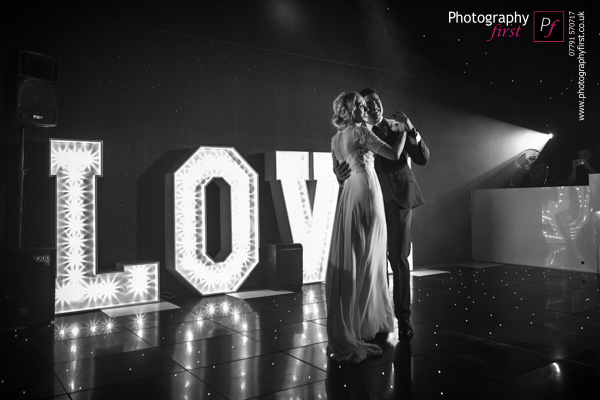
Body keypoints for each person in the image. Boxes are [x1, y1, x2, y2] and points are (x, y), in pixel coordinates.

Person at [334, 88, 430, 339]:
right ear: (360, 109)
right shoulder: (355, 132)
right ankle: (376, 319)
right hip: (369, 201)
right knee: (371, 260)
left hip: (398, 199)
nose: (373, 106)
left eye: (376, 101)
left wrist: (411, 130)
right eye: (367, 104)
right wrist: (338, 174)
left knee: (397, 258)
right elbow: (344, 168)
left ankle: (404, 318)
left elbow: (423, 158)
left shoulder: (398, 127)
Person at [326, 91, 407, 364]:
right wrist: (405, 130)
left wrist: (339, 176)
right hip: (367, 195)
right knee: (370, 256)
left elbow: (337, 172)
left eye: (363, 104)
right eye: (359, 105)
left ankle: (360, 321)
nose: (364, 108)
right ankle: (367, 322)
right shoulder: (360, 133)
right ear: (349, 112)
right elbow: (395, 154)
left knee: (357, 255)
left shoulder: (336, 139)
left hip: (349, 194)